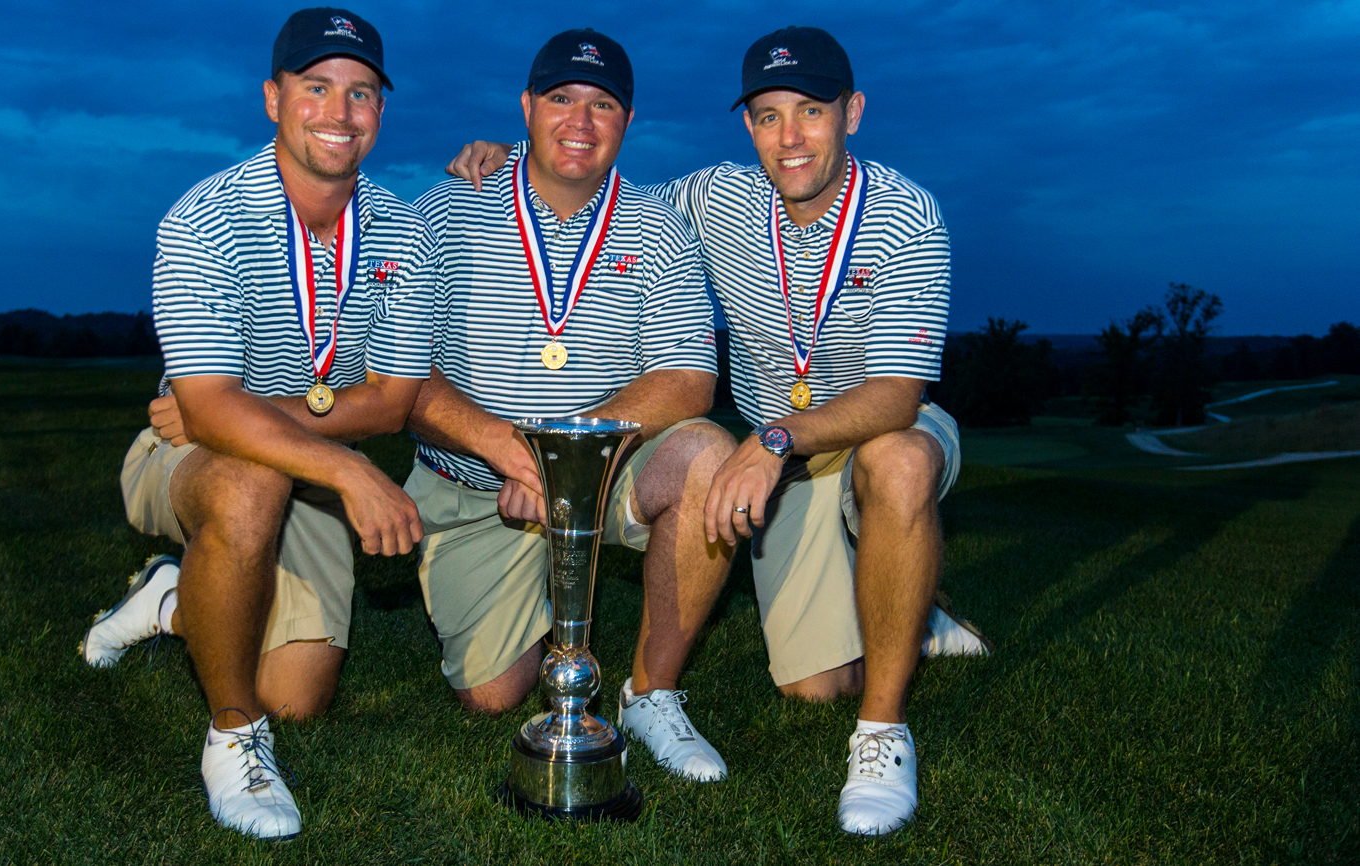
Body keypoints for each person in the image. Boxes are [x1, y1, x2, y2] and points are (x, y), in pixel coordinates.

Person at [446, 26, 989, 835]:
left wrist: (771, 441)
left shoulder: (908, 214)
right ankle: (910, 600)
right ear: (748, 127)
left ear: (854, 112)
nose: (791, 137)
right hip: (785, 448)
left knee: (898, 466)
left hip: (864, 426)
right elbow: (593, 195)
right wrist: (515, 152)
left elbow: (898, 395)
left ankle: (882, 733)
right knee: (813, 684)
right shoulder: (712, 199)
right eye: (769, 116)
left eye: (812, 111)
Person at [78, 7, 437, 840]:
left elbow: (392, 399)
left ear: (381, 111)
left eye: (361, 94)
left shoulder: (404, 233)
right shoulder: (204, 219)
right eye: (317, 88)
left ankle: (172, 599)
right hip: (183, 455)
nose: (340, 114)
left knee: (300, 697)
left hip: (294, 462)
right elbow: (203, 413)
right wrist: (348, 466)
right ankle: (234, 737)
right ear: (273, 98)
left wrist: (283, 419)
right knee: (249, 474)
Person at [406, 29, 737, 783]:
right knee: (493, 695)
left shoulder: (658, 227)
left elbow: (688, 379)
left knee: (706, 457)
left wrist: (562, 461)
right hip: (476, 487)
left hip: (603, 467)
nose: (580, 122)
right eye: (560, 99)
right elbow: (402, 375)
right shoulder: (448, 209)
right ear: (526, 107)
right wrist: (503, 449)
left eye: (603, 105)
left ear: (628, 121)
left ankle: (651, 694)